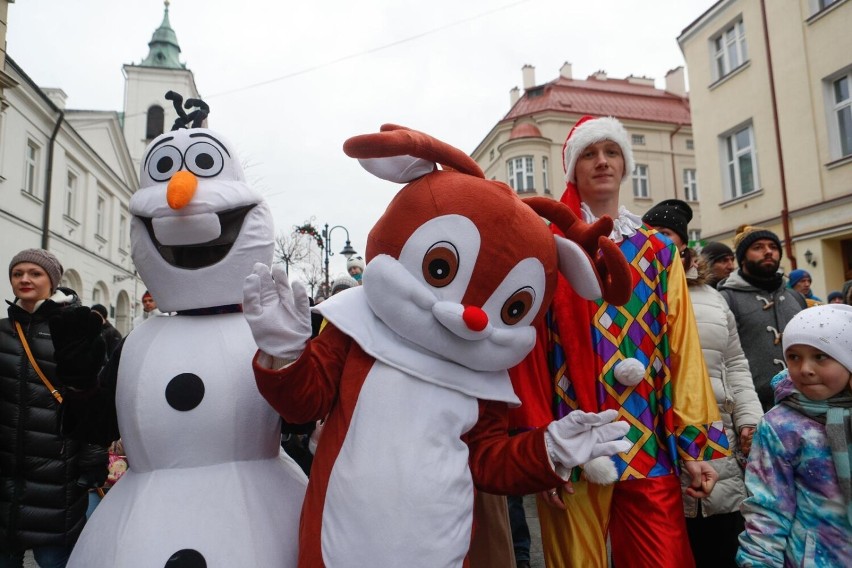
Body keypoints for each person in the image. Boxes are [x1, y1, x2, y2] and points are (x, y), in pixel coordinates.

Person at [511, 116, 727, 568]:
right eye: (589, 154)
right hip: (574, 434)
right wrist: (538, 450)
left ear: (625, 164)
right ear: (572, 169)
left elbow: (681, 347)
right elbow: (527, 352)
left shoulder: (658, 250)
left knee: (663, 558)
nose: (602, 162)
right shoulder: (550, 245)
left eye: (611, 152)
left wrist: (694, 446)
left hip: (647, 433)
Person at [644, 200, 763, 567]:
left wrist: (749, 418)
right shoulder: (632, 297)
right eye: (648, 236)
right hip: (656, 444)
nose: (655, 243)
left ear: (683, 246)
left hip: (717, 442)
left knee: (720, 545)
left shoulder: (713, 299)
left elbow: (736, 365)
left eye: (664, 235)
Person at [0, 249, 107, 568]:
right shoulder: (3, 330)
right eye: (18, 273)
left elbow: (93, 398)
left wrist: (92, 456)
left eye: (35, 273)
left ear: (53, 281)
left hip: (57, 468)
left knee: (54, 560)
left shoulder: (76, 329)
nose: (24, 279)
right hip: (5, 470)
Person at [737, 304, 852, 567]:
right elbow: (767, 507)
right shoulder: (782, 426)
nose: (805, 369)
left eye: (820, 356)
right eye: (794, 357)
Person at [717, 225, 806, 411]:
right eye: (758, 247)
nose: (768, 252)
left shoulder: (795, 298)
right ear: (742, 258)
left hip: (803, 401)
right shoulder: (726, 298)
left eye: (773, 247)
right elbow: (722, 359)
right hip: (753, 407)